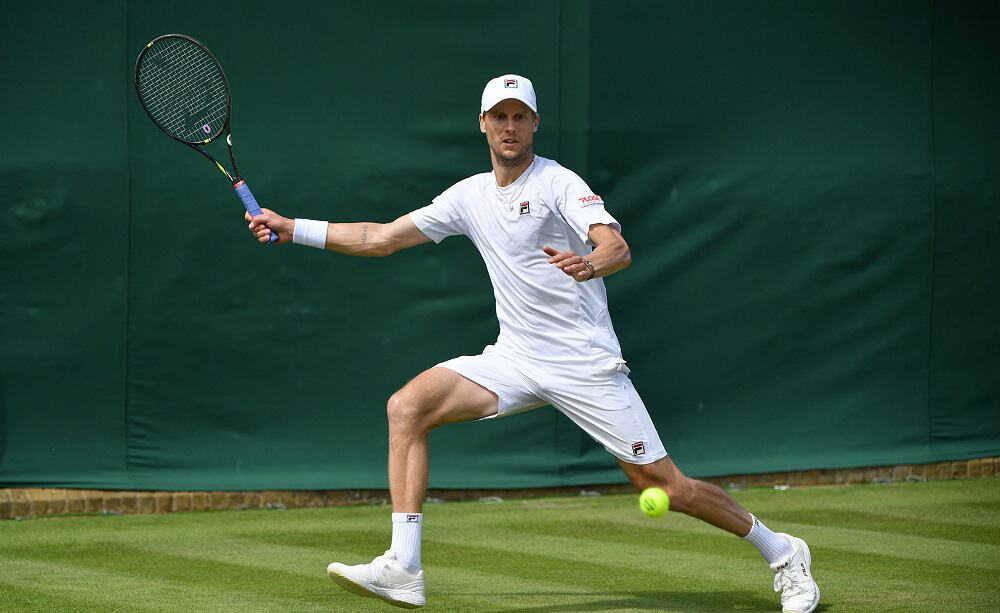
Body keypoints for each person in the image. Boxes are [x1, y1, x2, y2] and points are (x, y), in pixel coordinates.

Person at [245, 74, 820, 613]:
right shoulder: (469, 196)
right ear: (483, 124)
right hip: (516, 358)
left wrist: (590, 263)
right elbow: (379, 238)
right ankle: (404, 567)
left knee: (664, 486)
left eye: (520, 116)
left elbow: (615, 246)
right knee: (407, 406)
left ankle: (785, 552)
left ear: (535, 123)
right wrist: (294, 228)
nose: (510, 127)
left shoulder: (559, 183)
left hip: (585, 366)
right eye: (500, 117)